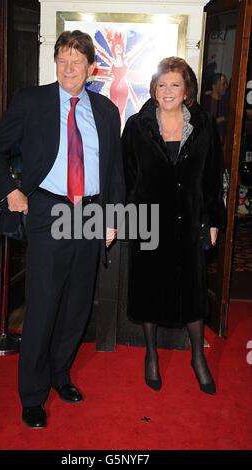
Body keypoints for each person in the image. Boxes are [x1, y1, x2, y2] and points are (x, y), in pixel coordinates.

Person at [0, 30, 125, 428]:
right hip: (49, 212)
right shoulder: (32, 102)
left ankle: (60, 375)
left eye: (77, 61)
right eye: (62, 59)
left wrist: (113, 216)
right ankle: (32, 394)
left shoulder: (106, 111)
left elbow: (114, 170)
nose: (68, 68)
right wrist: (10, 190)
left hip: (91, 214)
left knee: (77, 306)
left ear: (91, 68)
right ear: (55, 62)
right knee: (43, 306)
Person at [122, 57, 225, 395]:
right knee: (149, 288)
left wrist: (213, 221)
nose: (167, 91)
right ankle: (150, 354)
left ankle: (197, 357)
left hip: (190, 220)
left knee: (193, 291)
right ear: (153, 89)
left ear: (186, 91)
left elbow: (212, 178)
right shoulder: (137, 126)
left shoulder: (205, 125)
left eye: (175, 85)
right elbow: (128, 178)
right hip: (148, 222)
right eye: (161, 84)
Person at [201, 73, 229, 144]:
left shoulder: (226, 102)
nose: (226, 86)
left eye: (226, 83)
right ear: (214, 86)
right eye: (223, 84)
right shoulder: (205, 101)